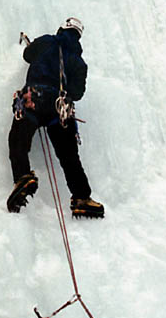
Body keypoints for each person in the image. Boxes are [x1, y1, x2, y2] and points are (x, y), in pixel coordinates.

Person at [7, 17, 104, 218]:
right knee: (69, 157)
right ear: (78, 37)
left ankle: (23, 176)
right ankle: (82, 198)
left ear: (62, 29)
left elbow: (28, 55)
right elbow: (77, 93)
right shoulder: (79, 62)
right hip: (60, 108)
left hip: (34, 98)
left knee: (18, 138)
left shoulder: (47, 41)